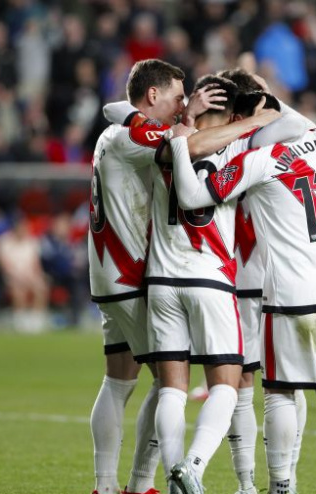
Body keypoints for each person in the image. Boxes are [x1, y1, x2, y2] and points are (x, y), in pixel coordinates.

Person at [88, 59, 280, 494]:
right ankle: (142, 483)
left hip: (115, 272)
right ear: (152, 95)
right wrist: (254, 121)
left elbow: (118, 111)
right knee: (167, 382)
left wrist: (161, 117)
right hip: (137, 272)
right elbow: (187, 145)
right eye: (177, 97)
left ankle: (107, 484)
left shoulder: (114, 133)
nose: (182, 106)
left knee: (118, 379)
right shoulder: (148, 138)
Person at [168, 100, 316, 494]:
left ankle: (275, 484)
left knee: (275, 390)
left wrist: (178, 141)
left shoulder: (250, 157)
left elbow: (193, 196)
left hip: (278, 286)